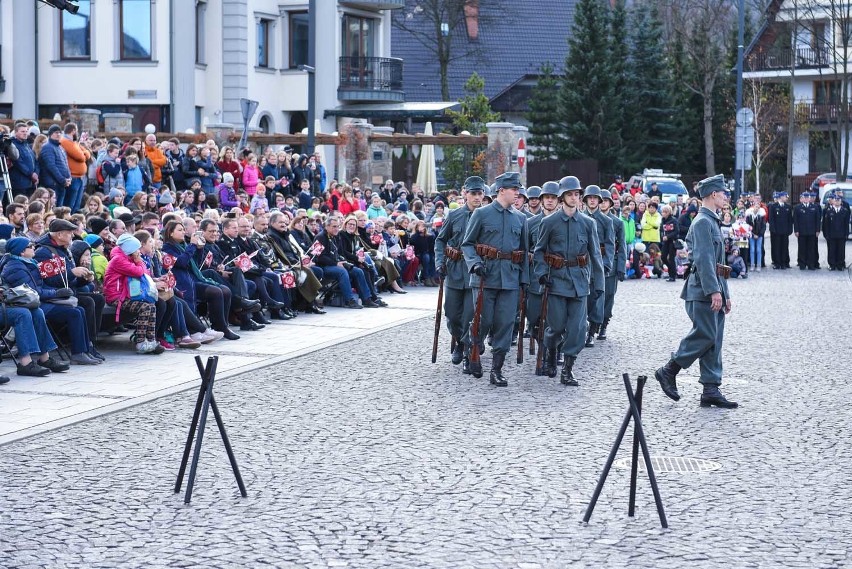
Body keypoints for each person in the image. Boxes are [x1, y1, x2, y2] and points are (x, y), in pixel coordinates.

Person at [655, 174, 737, 409]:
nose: (726, 197)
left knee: (714, 339)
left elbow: (719, 263)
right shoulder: (702, 222)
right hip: (701, 290)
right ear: (713, 195)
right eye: (724, 194)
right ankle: (669, 370)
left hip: (713, 288)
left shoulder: (712, 220)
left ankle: (711, 388)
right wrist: (714, 291)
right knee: (705, 335)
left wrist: (725, 293)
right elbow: (703, 260)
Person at [533, 176, 604, 385]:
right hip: (556, 281)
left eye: (577, 194)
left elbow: (595, 256)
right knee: (555, 326)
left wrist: (599, 284)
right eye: (570, 194)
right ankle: (551, 354)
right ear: (562, 197)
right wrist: (542, 274)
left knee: (578, 330)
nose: (574, 197)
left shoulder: (588, 223)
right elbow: (539, 252)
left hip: (580, 282)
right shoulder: (549, 222)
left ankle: (568, 369)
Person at [461, 171, 529, 387]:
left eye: (518, 190)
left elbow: (524, 251)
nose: (517, 194)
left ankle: (496, 370)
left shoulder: (521, 218)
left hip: (510, 279)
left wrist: (524, 280)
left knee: (505, 325)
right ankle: (472, 347)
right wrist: (475, 264)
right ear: (501, 191)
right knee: (483, 321)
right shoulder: (481, 214)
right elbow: (467, 244)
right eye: (514, 190)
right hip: (485, 277)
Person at [0, 238, 71, 377]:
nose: (34, 248)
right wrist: (56, 293)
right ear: (21, 251)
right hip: (10, 305)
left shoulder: (27, 263)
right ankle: (25, 363)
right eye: (30, 246)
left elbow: (35, 290)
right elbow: (31, 292)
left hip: (19, 302)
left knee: (37, 312)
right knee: (23, 314)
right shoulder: (15, 267)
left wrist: (57, 291)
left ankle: (44, 358)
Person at [434, 176, 485, 370]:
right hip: (455, 270)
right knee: (452, 314)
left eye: (480, 193)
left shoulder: (487, 217)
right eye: (473, 193)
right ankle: (459, 339)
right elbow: (440, 240)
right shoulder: (454, 216)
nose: (477, 197)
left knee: (470, 315)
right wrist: (440, 262)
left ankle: (466, 350)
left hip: (476, 273)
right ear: (465, 194)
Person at [103, 234, 166, 354]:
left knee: (152, 306)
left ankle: (150, 340)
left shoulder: (126, 257)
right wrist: (138, 262)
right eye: (136, 249)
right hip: (115, 297)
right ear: (130, 249)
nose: (139, 252)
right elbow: (139, 272)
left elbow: (145, 273)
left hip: (125, 294)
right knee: (146, 307)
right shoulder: (119, 260)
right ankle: (141, 342)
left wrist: (138, 262)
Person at [524, 180, 559, 367]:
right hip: (536, 276)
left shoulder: (565, 221)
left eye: (554, 198)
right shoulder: (531, 223)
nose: (550, 201)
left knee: (557, 319)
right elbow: (524, 250)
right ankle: (542, 346)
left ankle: (553, 351)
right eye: (547, 198)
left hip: (559, 276)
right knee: (535, 317)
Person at [581, 185, 614, 348]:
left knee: (597, 299)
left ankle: (592, 331)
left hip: (598, 263)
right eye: (590, 197)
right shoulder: (580, 217)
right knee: (583, 298)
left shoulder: (607, 221)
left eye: (595, 198)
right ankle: (582, 328)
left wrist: (607, 264)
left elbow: (610, 245)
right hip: (583, 262)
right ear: (585, 200)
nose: (592, 200)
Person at [599, 189, 626, 339]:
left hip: (611, 263)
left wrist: (621, 267)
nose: (602, 203)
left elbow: (622, 246)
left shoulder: (617, 222)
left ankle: (604, 324)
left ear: (610, 203)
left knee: (609, 295)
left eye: (605, 201)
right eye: (600, 200)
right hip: (593, 262)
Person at [38, 125, 72, 208]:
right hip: (53, 183)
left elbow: (65, 164)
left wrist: (69, 178)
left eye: (60, 132)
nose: (58, 134)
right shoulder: (47, 147)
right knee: (52, 207)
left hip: (62, 183)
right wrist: (62, 180)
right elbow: (51, 166)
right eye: (56, 132)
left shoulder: (60, 147)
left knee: (59, 208)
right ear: (50, 134)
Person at [822, 191, 851, 270]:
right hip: (831, 235)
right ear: (833, 201)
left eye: (838, 200)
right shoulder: (829, 211)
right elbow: (826, 225)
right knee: (832, 250)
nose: (837, 202)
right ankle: (832, 265)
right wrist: (826, 234)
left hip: (841, 235)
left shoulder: (844, 211)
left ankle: (840, 265)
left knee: (841, 251)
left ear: (841, 201)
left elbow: (846, 224)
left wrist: (846, 234)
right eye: (836, 200)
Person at [9, 122, 39, 197]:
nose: (25, 133)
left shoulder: (26, 145)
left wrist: (36, 174)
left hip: (30, 183)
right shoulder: (12, 145)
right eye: (22, 131)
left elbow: (35, 161)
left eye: (26, 131)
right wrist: (31, 174)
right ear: (16, 132)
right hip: (19, 183)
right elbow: (18, 162)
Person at [793, 191, 821, 270]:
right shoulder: (798, 208)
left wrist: (818, 230)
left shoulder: (814, 207)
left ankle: (811, 264)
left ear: (809, 198)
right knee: (802, 248)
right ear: (803, 198)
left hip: (812, 231)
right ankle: (802, 264)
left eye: (807, 197)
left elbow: (817, 220)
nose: (806, 199)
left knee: (811, 249)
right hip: (802, 232)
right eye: (805, 197)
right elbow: (795, 220)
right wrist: (796, 230)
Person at [768, 191, 793, 269]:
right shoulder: (773, 206)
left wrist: (790, 229)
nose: (786, 198)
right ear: (781, 197)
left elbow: (790, 220)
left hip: (785, 231)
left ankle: (783, 262)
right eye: (785, 196)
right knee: (776, 247)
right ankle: (777, 263)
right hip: (776, 231)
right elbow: (771, 219)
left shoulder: (788, 207)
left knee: (784, 247)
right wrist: (773, 229)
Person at [660, 204, 679, 282]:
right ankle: (671, 269)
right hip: (665, 242)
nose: (663, 213)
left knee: (671, 258)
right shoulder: (663, 220)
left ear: (669, 212)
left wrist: (668, 236)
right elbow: (662, 230)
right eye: (663, 212)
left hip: (672, 241)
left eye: (665, 212)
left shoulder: (673, 220)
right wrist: (662, 237)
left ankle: (672, 275)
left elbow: (677, 231)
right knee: (663, 257)